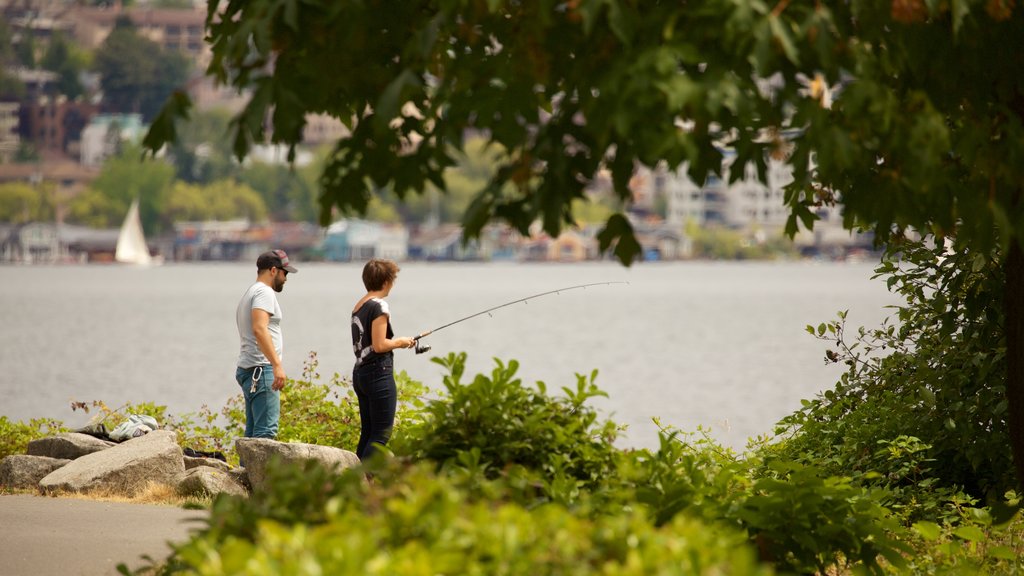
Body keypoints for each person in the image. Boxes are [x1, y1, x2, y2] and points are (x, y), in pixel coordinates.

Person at [350, 258, 416, 460]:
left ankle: (357, 477)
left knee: (368, 433)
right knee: (381, 435)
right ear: (386, 281)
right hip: (378, 373)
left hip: (360, 373)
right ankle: (368, 480)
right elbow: (379, 345)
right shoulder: (380, 306)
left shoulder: (359, 305)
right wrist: (401, 342)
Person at [235, 249, 297, 439]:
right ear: (273, 270)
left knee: (253, 433)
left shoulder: (250, 292)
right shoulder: (264, 292)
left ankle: (245, 470)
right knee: (266, 434)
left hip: (250, 368)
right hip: (261, 369)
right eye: (284, 272)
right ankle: (259, 470)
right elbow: (259, 328)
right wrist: (277, 365)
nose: (286, 278)